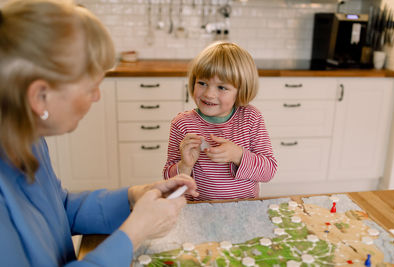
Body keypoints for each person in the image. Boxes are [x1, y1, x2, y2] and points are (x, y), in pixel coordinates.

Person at [0, 0, 198, 266]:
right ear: (40, 96)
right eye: (91, 86)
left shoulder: (29, 141)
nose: (97, 96)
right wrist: (135, 232)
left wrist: (134, 196)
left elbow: (63, 210)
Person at [163, 42, 278, 201]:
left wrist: (238, 155)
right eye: (202, 83)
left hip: (243, 210)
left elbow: (269, 171)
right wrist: (185, 165)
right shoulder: (182, 124)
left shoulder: (251, 118)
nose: (209, 94)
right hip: (198, 212)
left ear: (241, 91)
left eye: (222, 87)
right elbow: (169, 183)